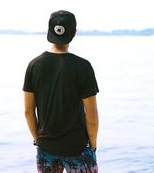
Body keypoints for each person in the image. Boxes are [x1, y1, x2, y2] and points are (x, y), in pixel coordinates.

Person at [23, 10, 99, 173]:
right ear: (74, 33)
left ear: (50, 31)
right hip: (78, 147)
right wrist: (92, 144)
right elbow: (91, 115)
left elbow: (28, 111)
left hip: (46, 147)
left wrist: (38, 140)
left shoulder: (34, 65)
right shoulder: (83, 67)